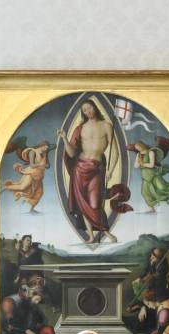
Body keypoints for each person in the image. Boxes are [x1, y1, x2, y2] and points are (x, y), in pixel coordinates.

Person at [58, 99, 131, 243]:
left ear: (95, 107)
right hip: (79, 169)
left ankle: (107, 234)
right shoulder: (80, 128)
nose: (88, 112)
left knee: (94, 203)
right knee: (83, 204)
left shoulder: (106, 126)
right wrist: (65, 139)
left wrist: (110, 170)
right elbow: (72, 153)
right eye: (84, 110)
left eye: (89, 108)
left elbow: (115, 152)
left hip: (96, 169)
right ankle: (91, 236)